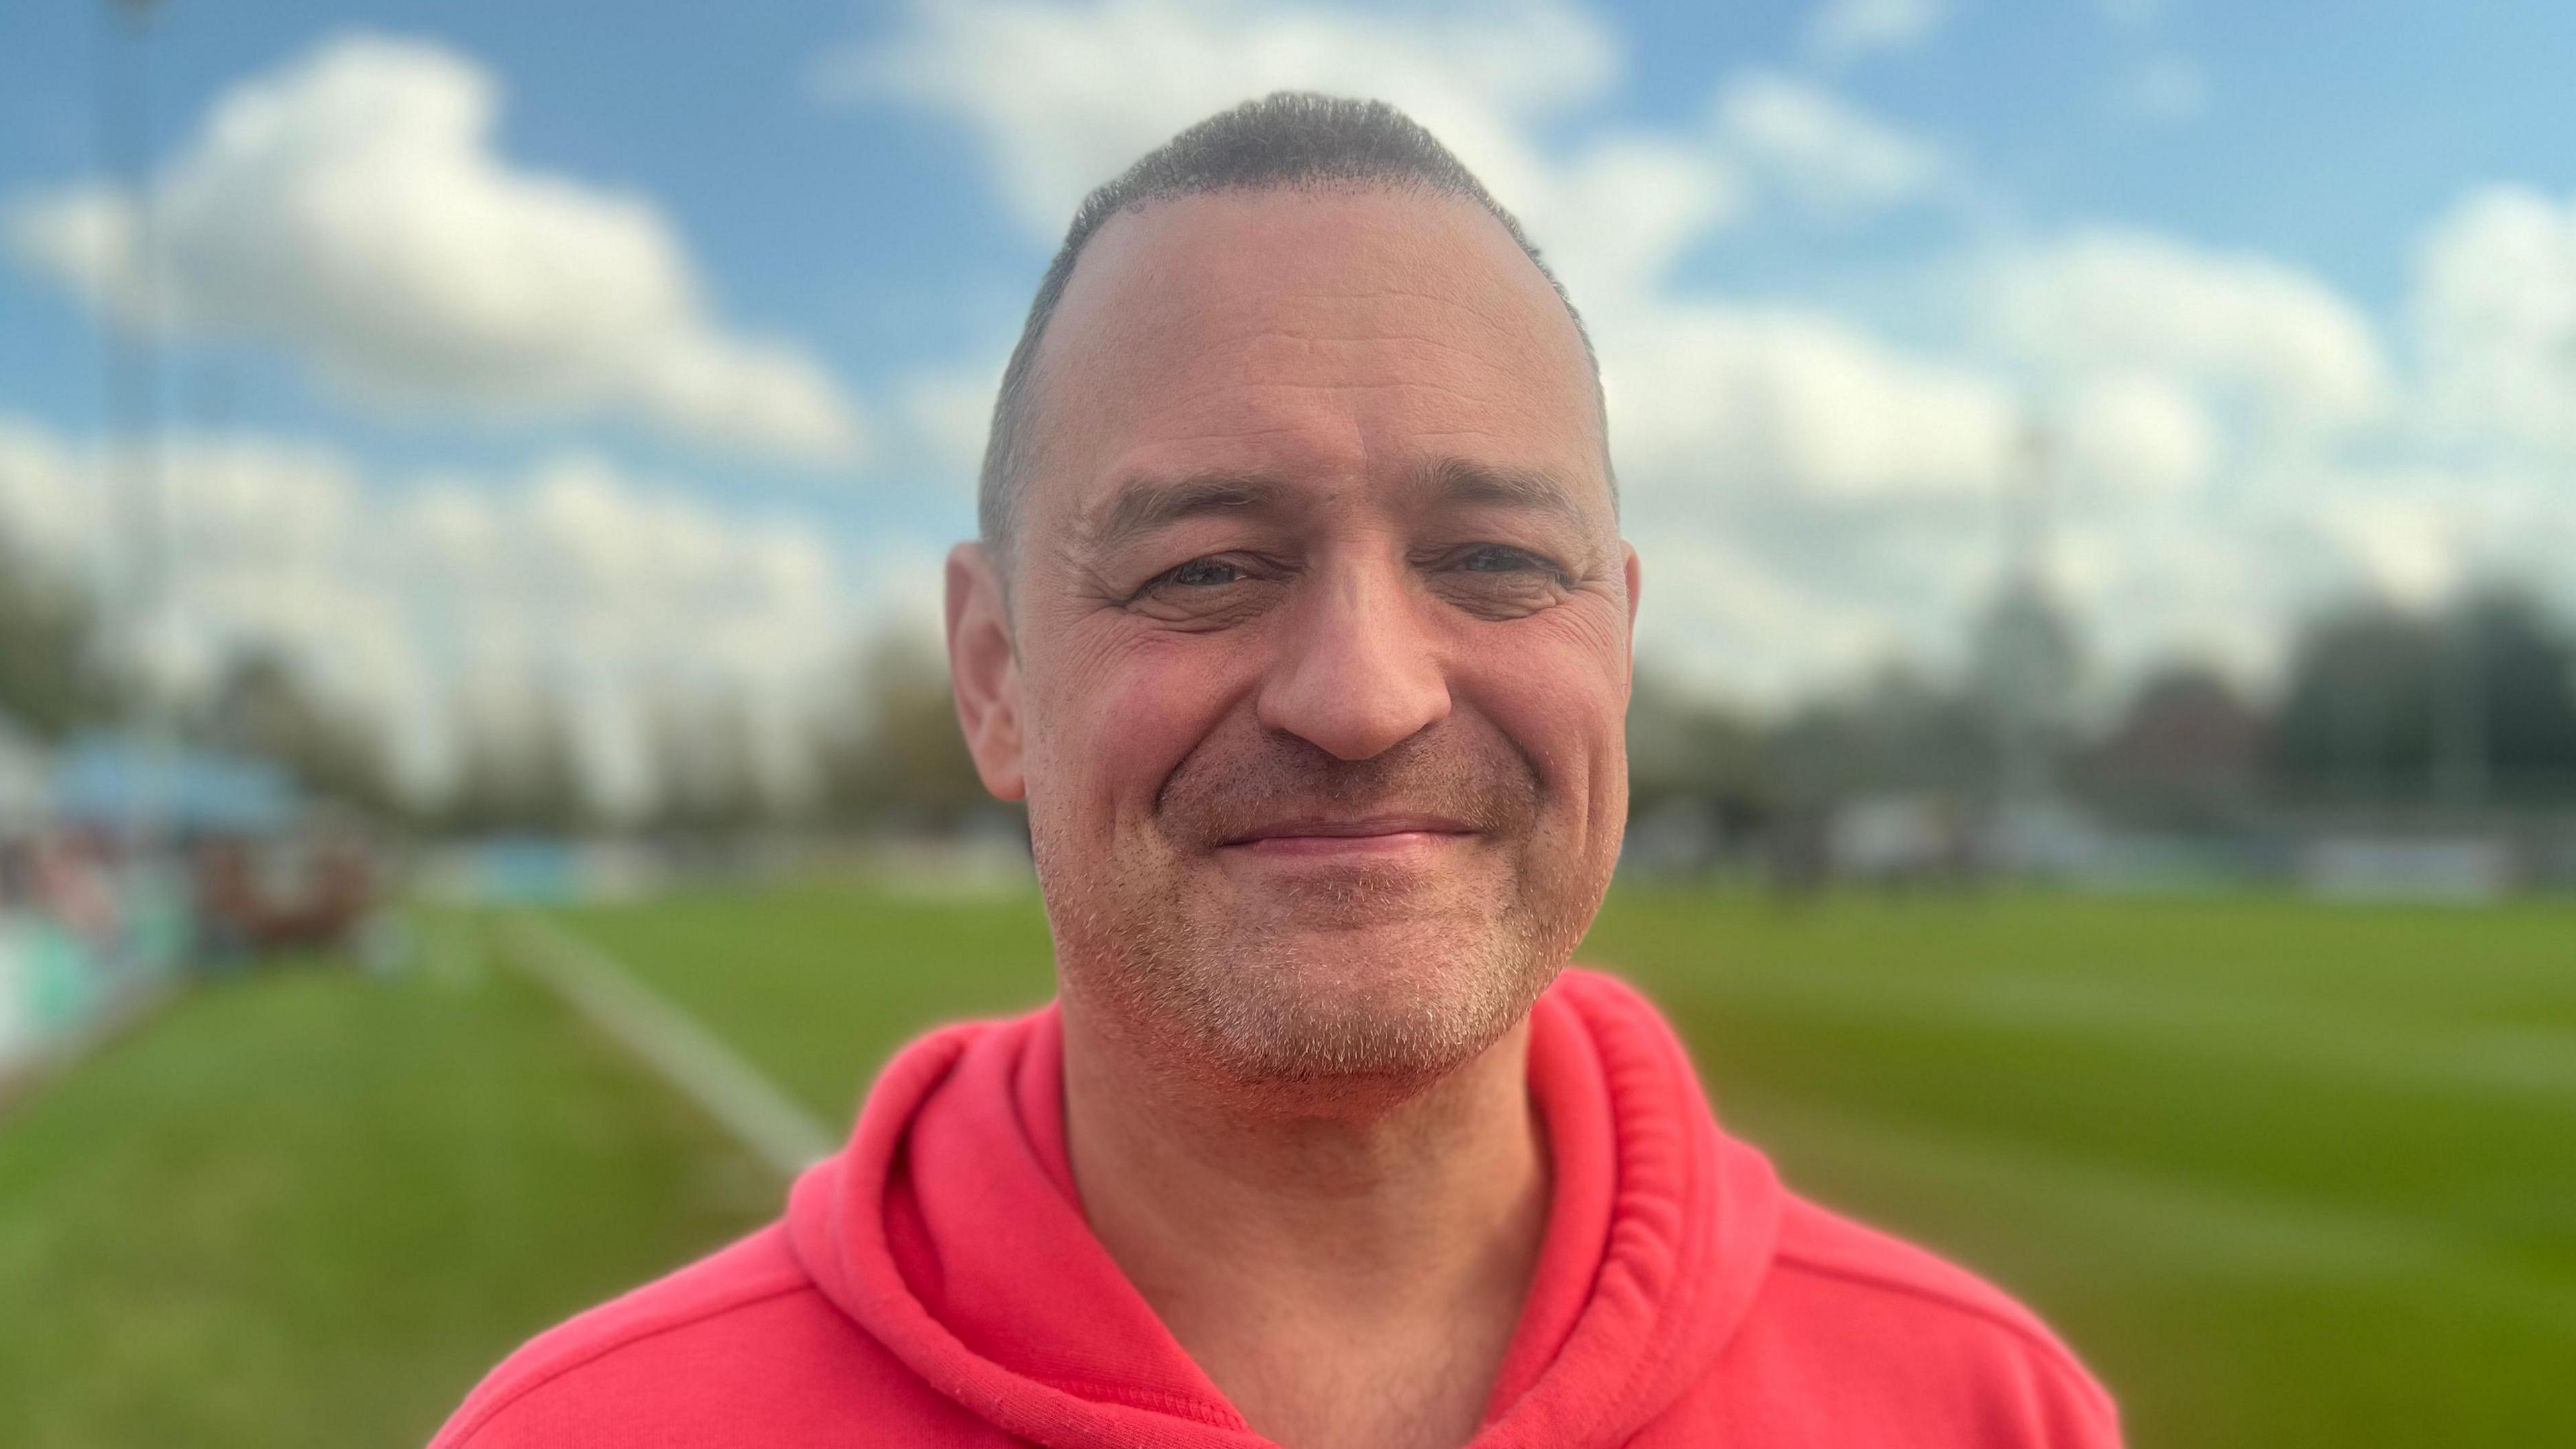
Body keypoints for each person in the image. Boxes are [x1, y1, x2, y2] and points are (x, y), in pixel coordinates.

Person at [432, 94, 2122, 1449]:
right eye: (1208, 569)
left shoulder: (1989, 1409)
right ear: (995, 673)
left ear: (1618, 638)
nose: (1366, 696)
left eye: (1491, 559)